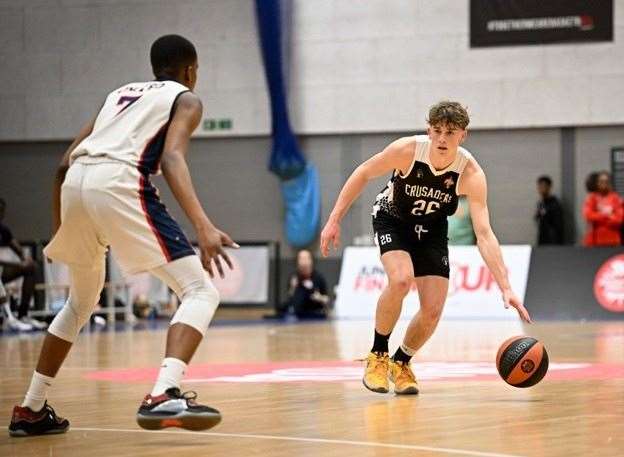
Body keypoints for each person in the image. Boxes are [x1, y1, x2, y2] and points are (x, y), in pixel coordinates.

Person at [8, 35, 237, 437]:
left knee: (79, 304)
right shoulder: (186, 98)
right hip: (118, 181)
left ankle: (31, 408)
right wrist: (203, 225)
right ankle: (164, 392)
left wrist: (62, 228)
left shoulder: (118, 95)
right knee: (200, 292)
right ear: (190, 70)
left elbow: (63, 165)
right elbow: (171, 156)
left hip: (76, 182)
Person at [320, 101, 531, 395]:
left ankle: (401, 362)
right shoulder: (407, 150)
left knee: (432, 310)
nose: (443, 138)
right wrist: (334, 220)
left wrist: (506, 287)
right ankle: (378, 354)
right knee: (401, 279)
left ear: (463, 136)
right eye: (437, 131)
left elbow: (484, 234)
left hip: (432, 227)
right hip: (392, 217)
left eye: (450, 132)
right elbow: (364, 172)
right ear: (428, 131)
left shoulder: (471, 174)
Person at [0, 198, 46, 331]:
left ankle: (23, 315)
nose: (1, 214)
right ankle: (8, 318)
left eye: (2, 211)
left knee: (31, 268)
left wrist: (25, 259)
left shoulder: (3, 229)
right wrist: (18, 265)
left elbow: (19, 250)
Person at [286, 250, 330, 319]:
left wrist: (319, 297)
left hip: (316, 314)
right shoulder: (294, 277)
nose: (304, 261)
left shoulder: (318, 277)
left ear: (311, 261)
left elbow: (327, 299)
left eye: (306, 258)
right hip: (298, 315)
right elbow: (290, 297)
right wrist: (293, 288)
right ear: (297, 262)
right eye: (301, 259)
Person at [583, 171, 623, 246]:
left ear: (610, 183)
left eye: (606, 181)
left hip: (613, 240)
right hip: (594, 240)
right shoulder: (591, 198)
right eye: (601, 181)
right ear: (597, 183)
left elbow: (619, 219)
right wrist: (607, 215)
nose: (604, 184)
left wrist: (599, 216)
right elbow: (588, 215)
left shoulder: (616, 198)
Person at [534, 176, 564, 245]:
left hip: (552, 242)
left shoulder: (555, 204)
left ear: (549, 187)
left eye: (543, 186)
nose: (541, 189)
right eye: (539, 186)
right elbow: (538, 218)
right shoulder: (540, 203)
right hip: (542, 240)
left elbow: (558, 225)